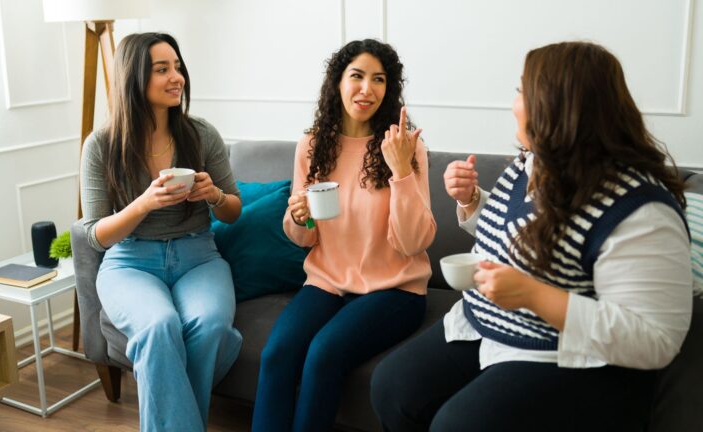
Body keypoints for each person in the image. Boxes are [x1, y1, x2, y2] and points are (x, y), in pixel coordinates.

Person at [371, 41, 692, 431]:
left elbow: (655, 339)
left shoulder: (640, 210)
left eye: (521, 91)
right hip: (488, 325)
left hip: (573, 357)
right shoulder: (533, 163)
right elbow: (532, 231)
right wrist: (473, 202)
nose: (513, 104)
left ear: (555, 106)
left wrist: (534, 296)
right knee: (392, 387)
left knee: (457, 425)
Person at [251, 39, 436, 432]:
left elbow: (414, 242)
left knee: (323, 354)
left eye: (379, 79)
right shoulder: (313, 146)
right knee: (277, 353)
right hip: (328, 281)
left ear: (390, 89)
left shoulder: (404, 146)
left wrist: (401, 171)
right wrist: (300, 218)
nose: (367, 89)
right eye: (357, 76)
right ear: (337, 81)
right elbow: (305, 238)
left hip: (395, 289)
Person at [79, 32, 243, 432]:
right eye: (162, 69)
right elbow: (94, 235)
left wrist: (214, 195)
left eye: (178, 67)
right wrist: (144, 203)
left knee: (211, 325)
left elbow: (234, 211)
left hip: (198, 256)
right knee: (157, 326)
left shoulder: (201, 134)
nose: (177, 77)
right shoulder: (101, 145)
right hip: (130, 261)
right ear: (135, 78)